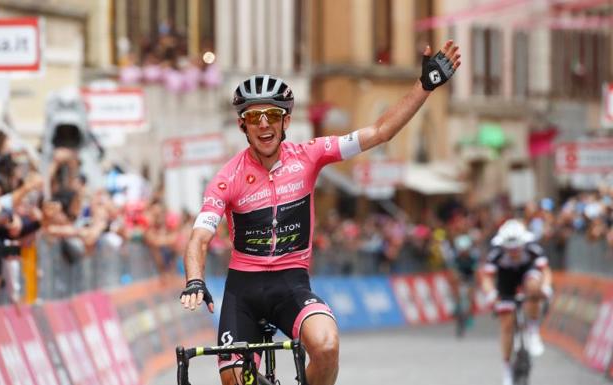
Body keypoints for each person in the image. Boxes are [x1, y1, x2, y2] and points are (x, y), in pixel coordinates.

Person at [180, 41, 461, 385]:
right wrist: (195, 279)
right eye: (254, 116)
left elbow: (379, 132)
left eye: (273, 115)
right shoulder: (227, 178)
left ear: (287, 121)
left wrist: (425, 87)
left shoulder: (310, 155)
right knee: (236, 380)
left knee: (327, 347)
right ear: (243, 125)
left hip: (291, 284)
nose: (264, 123)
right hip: (244, 292)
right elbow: (199, 237)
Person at [480, 219, 553, 385]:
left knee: (534, 288)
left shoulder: (533, 248)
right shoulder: (496, 252)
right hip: (506, 281)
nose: (513, 252)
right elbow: (487, 277)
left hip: (528, 274)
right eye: (509, 249)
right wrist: (491, 294)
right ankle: (506, 367)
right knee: (506, 323)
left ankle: (533, 330)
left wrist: (547, 287)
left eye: (517, 248)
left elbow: (545, 271)